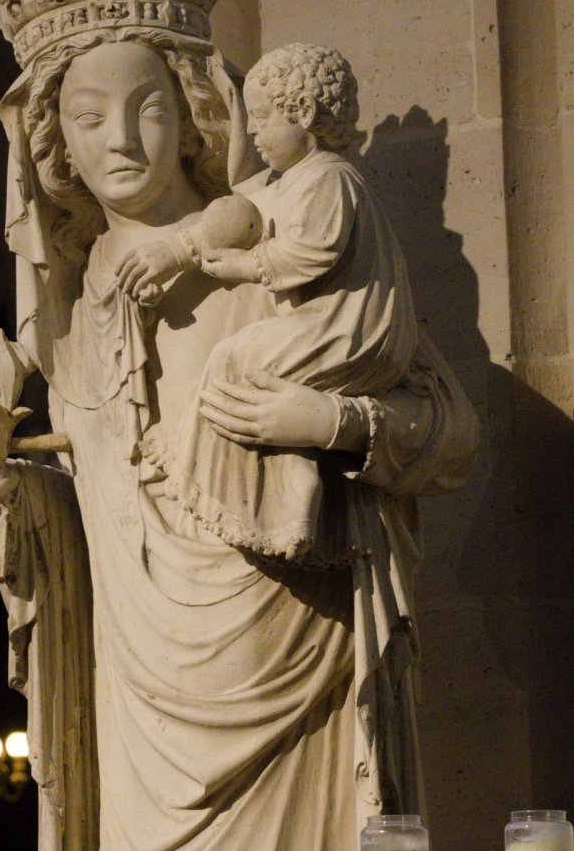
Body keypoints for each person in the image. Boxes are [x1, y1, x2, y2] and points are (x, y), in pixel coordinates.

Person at [0, 0, 479, 851]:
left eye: (144, 107)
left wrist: (321, 422)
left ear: (194, 114)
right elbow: (99, 488)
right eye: (85, 119)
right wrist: (6, 502)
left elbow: (449, 431)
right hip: (144, 707)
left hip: (299, 660)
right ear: (52, 145)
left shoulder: (279, 252)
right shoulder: (74, 311)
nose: (118, 140)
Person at [115, 43, 418, 561]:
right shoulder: (294, 181)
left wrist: (244, 267)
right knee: (241, 366)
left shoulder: (328, 179)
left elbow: (307, 250)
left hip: (346, 330)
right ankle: (283, 492)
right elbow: (237, 215)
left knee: (237, 359)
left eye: (260, 118)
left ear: (301, 114)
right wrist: (176, 251)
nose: (251, 133)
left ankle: (209, 472)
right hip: (333, 332)